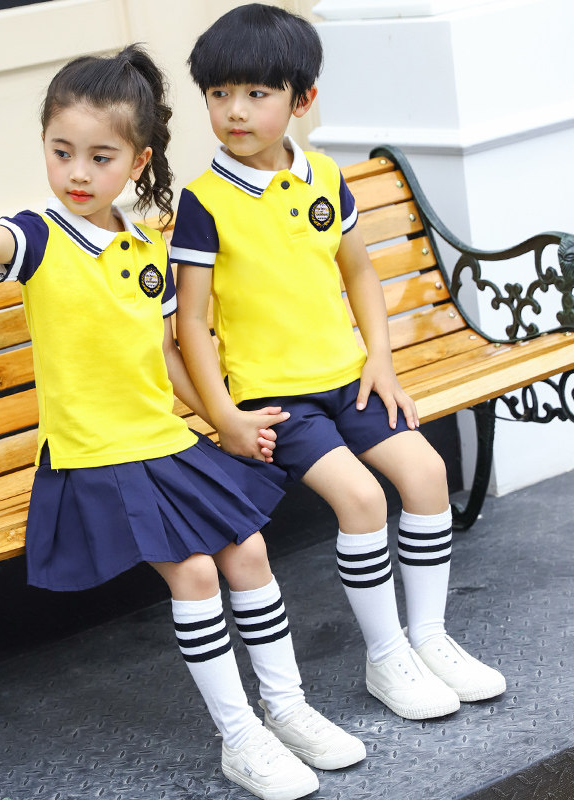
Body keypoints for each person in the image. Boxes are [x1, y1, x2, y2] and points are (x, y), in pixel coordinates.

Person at [0, 45, 365, 800]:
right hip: (95, 456)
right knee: (195, 571)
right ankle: (241, 738)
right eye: (61, 152)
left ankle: (288, 710)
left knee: (249, 550)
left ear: (138, 160)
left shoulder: (146, 245)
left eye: (100, 157)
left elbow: (169, 353)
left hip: (165, 442)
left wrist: (221, 418)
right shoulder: (41, 237)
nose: (78, 173)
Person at [172, 3, 506, 723]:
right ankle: (386, 656)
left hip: (349, 378)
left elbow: (358, 271)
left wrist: (380, 358)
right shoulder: (204, 202)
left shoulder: (323, 176)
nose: (235, 111)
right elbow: (190, 323)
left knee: (427, 474)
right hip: (275, 399)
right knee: (361, 499)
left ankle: (429, 637)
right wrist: (224, 416)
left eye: (257, 93)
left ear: (303, 100)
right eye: (219, 94)